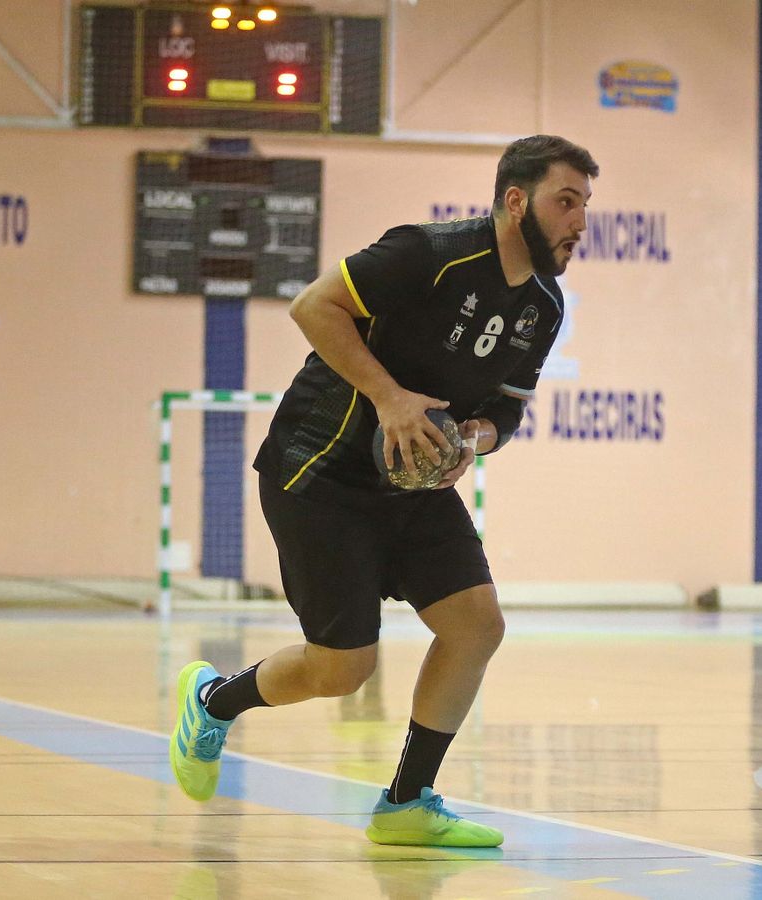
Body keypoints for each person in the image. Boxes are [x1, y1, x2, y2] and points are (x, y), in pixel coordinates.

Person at [168, 135, 598, 848]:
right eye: (566, 201)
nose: (579, 222)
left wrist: (475, 438)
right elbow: (314, 306)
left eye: (584, 205)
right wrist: (390, 398)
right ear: (517, 201)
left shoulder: (544, 306)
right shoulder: (428, 252)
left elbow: (509, 409)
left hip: (412, 484)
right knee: (343, 670)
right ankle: (213, 701)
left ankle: (406, 803)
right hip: (321, 473)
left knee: (477, 627)